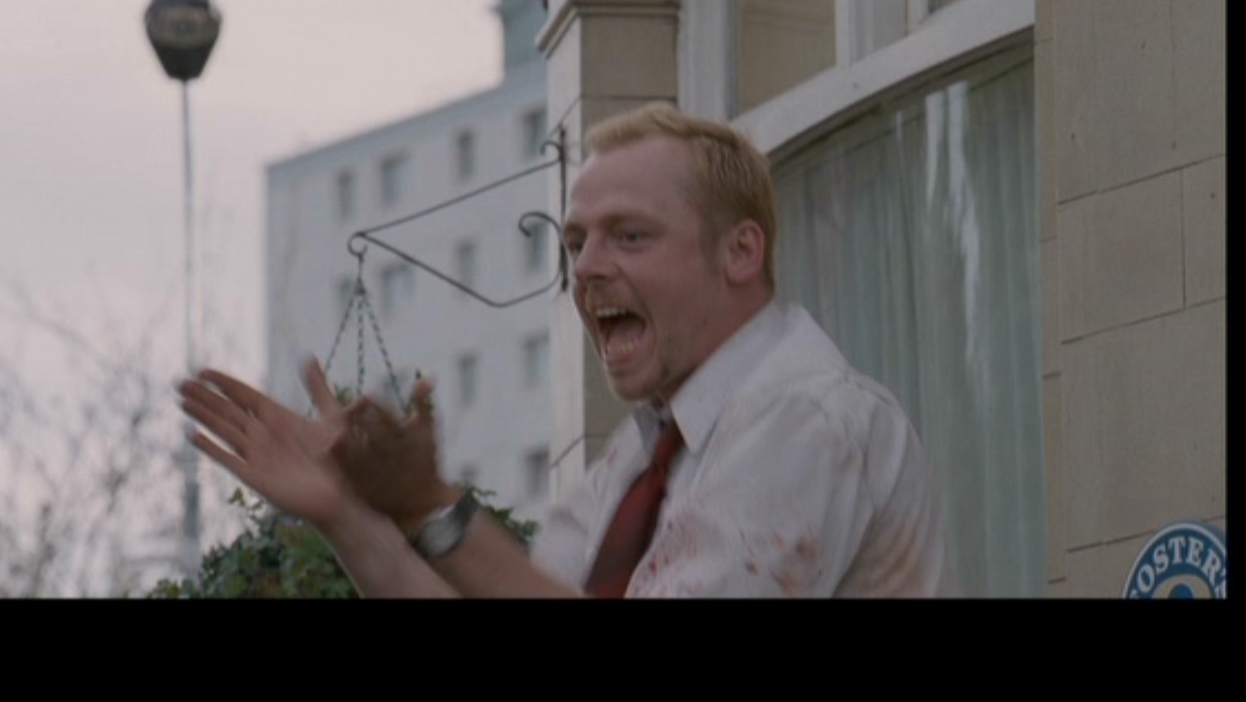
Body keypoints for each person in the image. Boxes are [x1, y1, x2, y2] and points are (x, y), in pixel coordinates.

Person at [178, 102, 960, 597]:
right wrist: (348, 513)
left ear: (740, 252)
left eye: (630, 235)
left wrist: (426, 505)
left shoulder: (810, 419)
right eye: (577, 241)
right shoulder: (642, 458)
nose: (585, 269)